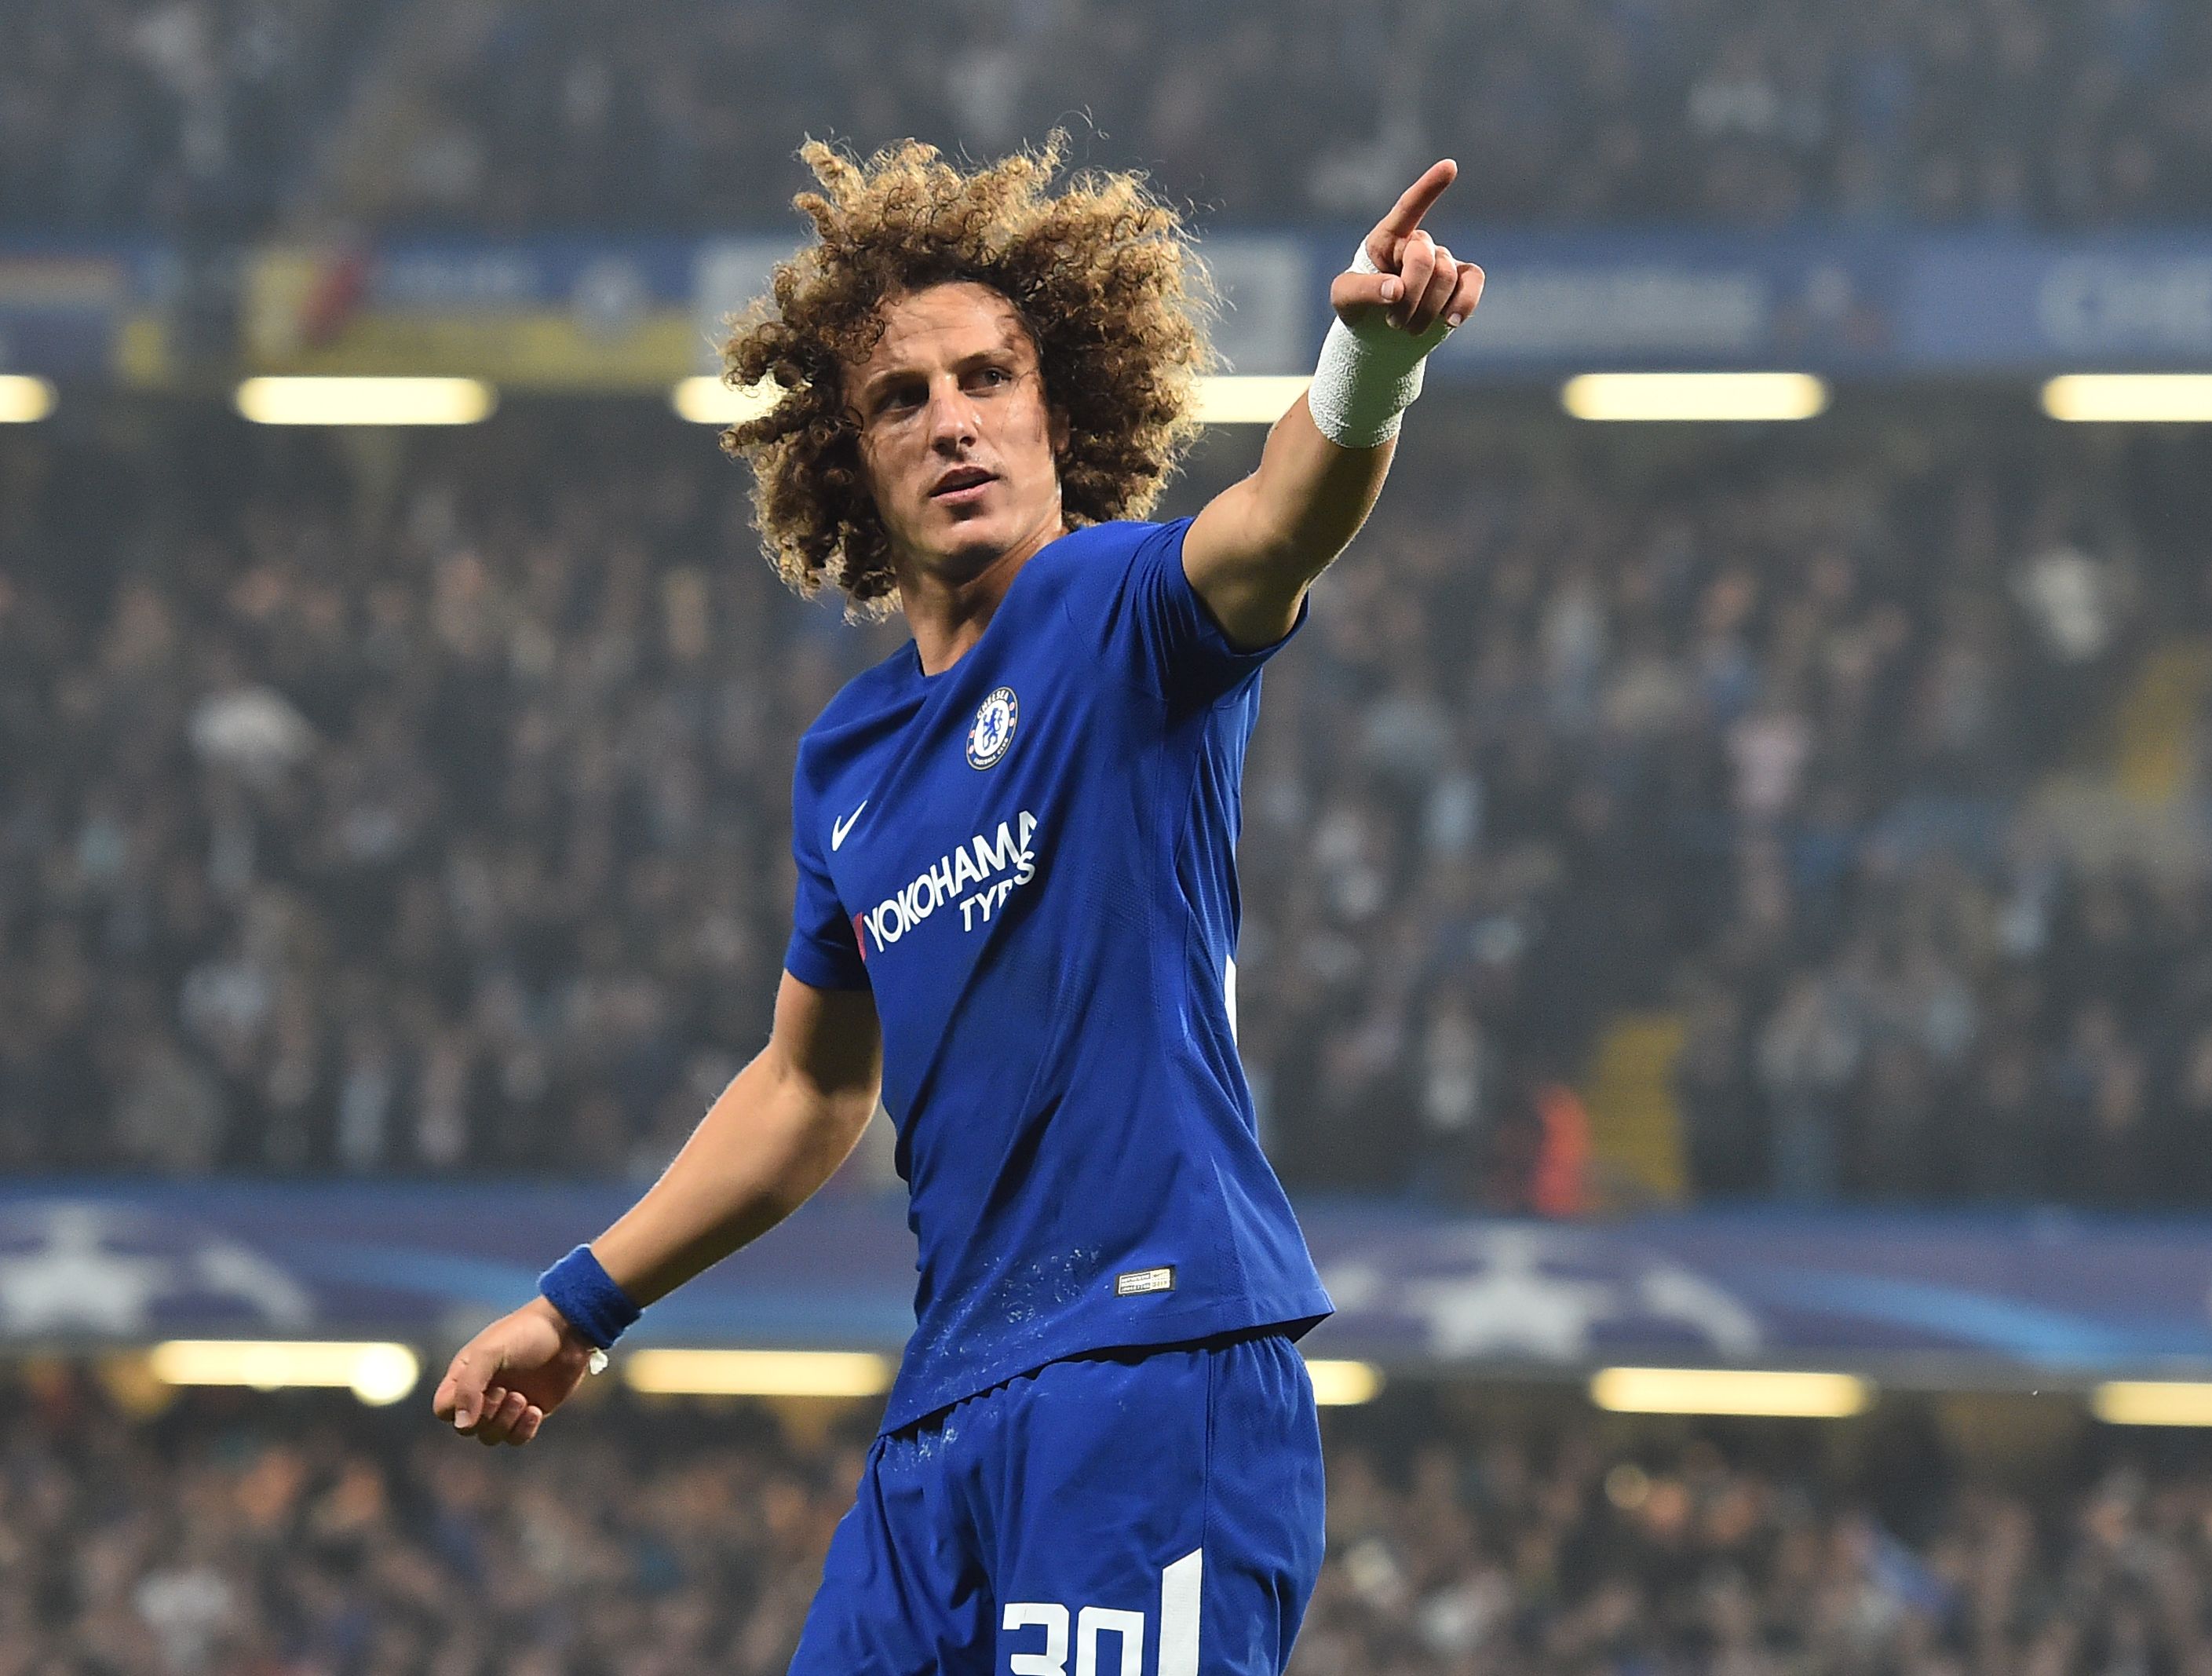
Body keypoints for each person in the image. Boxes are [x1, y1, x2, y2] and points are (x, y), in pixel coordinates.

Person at [429, 136, 1482, 1674]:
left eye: (989, 377)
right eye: (899, 400)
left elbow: (1277, 524)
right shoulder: (847, 760)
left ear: (1058, 407)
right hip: (947, 1410)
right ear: (847, 458)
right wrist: (582, 1305)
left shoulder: (1119, 610)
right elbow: (807, 1086)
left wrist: (1368, 362)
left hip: (1150, 1363)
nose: (952, 422)